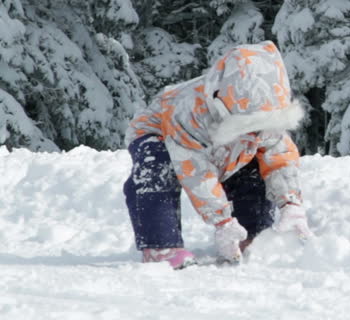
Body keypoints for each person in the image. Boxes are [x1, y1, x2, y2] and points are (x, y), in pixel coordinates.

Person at [123, 41, 313, 269]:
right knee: (157, 167)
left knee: (251, 167)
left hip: (226, 140)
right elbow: (196, 172)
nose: (259, 132)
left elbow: (279, 156)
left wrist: (290, 203)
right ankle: (161, 246)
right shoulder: (189, 111)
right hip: (159, 134)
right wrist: (222, 222)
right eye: (253, 125)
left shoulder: (266, 114)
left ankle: (250, 236)